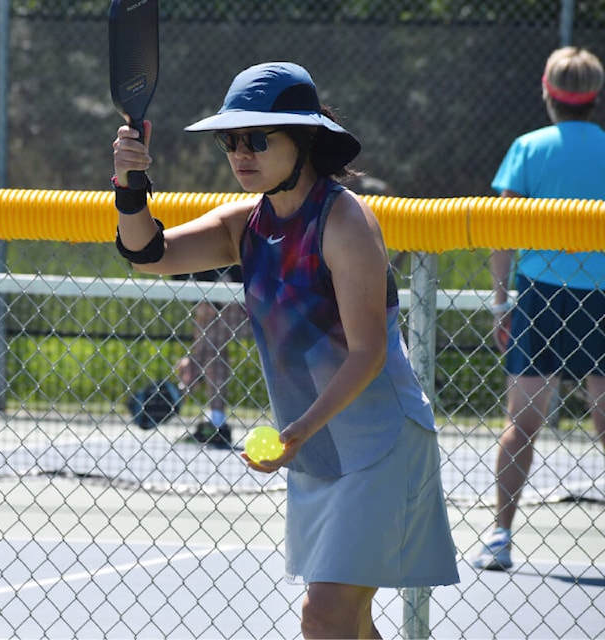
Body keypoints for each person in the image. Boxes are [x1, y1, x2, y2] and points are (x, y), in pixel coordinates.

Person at [112, 62, 458, 638]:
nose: (240, 152)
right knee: (347, 623)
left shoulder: (345, 220)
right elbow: (149, 252)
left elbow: (369, 351)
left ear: (306, 139)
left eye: (257, 138)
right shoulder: (246, 224)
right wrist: (128, 185)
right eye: (231, 139)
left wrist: (296, 432)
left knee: (323, 618)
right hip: (319, 454)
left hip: (379, 444)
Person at [473, 46, 605, 571]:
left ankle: (500, 537)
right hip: (602, 299)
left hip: (541, 297)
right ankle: (500, 535)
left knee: (522, 422)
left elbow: (502, 232)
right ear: (595, 98)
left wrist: (501, 301)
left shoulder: (528, 148)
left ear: (548, 93)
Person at [173, 265, 248, 448]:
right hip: (216, 323)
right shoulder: (178, 265)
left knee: (211, 339)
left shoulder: (219, 250)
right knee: (213, 349)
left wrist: (195, 359)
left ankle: (185, 383)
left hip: (255, 310)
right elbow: (202, 311)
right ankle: (217, 421)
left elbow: (233, 302)